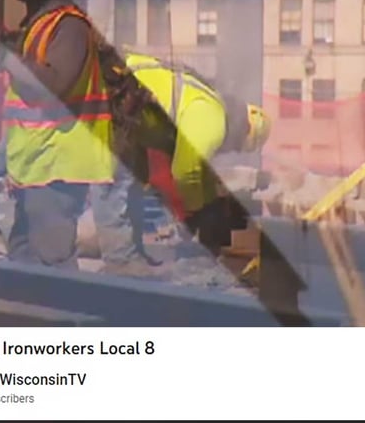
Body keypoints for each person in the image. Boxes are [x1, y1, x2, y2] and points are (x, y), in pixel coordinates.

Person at [0, 0, 115, 270]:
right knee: (22, 258)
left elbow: (51, 86)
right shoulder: (36, 30)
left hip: (58, 172)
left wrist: (4, 56)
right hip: (35, 170)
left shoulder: (71, 25)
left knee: (52, 266)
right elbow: (26, 119)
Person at [91, 48, 273, 273]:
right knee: (114, 180)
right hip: (114, 100)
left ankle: (131, 255)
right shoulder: (213, 119)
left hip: (122, 99)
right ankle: (120, 261)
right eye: (236, 147)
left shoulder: (206, 101)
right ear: (243, 134)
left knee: (133, 180)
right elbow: (186, 171)